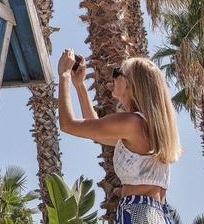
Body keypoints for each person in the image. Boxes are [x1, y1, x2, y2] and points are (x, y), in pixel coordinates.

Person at [57, 49, 181, 224]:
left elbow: (68, 124)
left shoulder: (131, 122)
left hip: (138, 213)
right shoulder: (144, 127)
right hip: (154, 214)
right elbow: (97, 133)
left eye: (117, 72)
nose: (113, 77)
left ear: (131, 83)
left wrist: (63, 75)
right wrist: (79, 86)